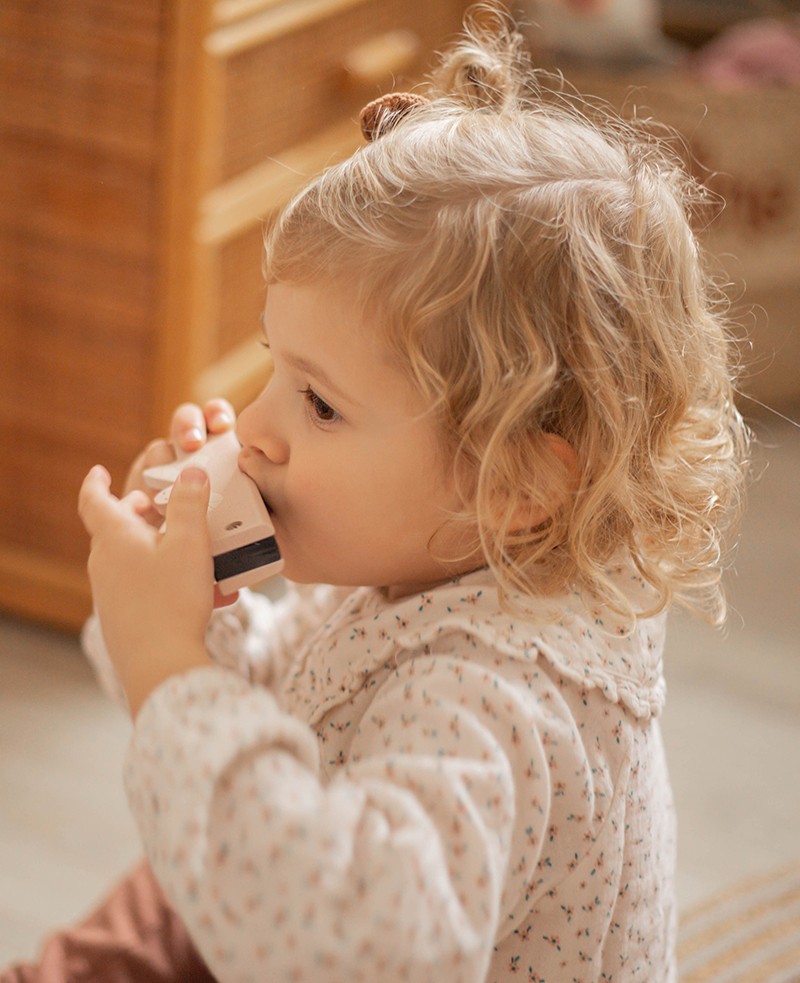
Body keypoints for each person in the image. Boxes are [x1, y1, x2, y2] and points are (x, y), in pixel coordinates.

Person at [3, 10, 750, 982]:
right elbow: (302, 684)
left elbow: (356, 946)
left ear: (518, 480)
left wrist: (168, 668)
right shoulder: (438, 552)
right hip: (317, 869)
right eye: (277, 365)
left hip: (331, 934)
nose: (253, 425)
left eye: (318, 402)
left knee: (186, 878)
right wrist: (197, 610)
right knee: (170, 885)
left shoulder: (492, 696)